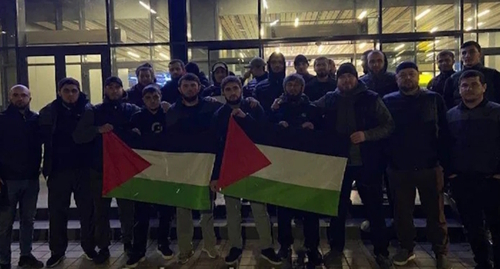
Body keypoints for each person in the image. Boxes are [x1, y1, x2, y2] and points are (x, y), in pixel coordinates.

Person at [313, 63, 394, 269]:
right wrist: (281, 104)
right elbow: (310, 109)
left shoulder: (371, 98)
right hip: (338, 163)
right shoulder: (330, 98)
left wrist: (367, 135)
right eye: (342, 77)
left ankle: (381, 251)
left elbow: (388, 125)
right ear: (337, 79)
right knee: (337, 209)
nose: (346, 81)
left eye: (350, 77)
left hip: (367, 162)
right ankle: (336, 249)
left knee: (374, 209)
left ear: (357, 78)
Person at [383, 62, 450, 268]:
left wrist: (444, 162)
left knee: (435, 212)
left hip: (429, 165)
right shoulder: (388, 101)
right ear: (397, 79)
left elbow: (445, 131)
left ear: (418, 76)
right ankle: (406, 248)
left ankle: (440, 252)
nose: (407, 78)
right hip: (399, 166)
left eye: (411, 74)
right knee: (402, 212)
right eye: (402, 75)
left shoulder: (433, 99)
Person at [210, 76, 281, 266]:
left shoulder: (253, 107)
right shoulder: (219, 114)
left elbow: (264, 133)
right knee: (232, 211)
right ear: (223, 92)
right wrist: (215, 175)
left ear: (241, 89)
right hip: (230, 168)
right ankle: (235, 246)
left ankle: (266, 246)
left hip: (253, 166)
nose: (232, 92)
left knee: (260, 210)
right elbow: (217, 146)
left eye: (235, 88)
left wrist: (246, 118)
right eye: (228, 89)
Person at [74, 76, 141, 264]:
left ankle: (128, 242)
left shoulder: (133, 111)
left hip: (124, 169)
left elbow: (144, 130)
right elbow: (79, 135)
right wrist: (97, 130)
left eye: (117, 87)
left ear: (122, 90)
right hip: (99, 168)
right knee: (100, 210)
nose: (113, 91)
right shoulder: (93, 112)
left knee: (127, 209)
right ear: (105, 90)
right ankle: (103, 246)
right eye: (110, 87)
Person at [165, 73, 222, 264]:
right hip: (182, 167)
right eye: (186, 86)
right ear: (180, 89)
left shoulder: (212, 107)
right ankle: (185, 248)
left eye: (193, 85)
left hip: (205, 165)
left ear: (199, 86)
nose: (190, 88)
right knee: (183, 211)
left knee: (207, 210)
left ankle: (210, 245)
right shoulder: (173, 111)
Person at [38, 78, 95, 268]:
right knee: (57, 213)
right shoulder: (49, 112)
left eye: (74, 91)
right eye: (66, 90)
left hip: (83, 169)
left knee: (87, 211)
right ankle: (57, 251)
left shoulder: (89, 110)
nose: (70, 94)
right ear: (59, 92)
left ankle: (89, 247)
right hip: (58, 170)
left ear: (79, 92)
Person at [446, 70, 500, 269]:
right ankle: (482, 263)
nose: (469, 89)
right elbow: (445, 146)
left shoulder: (496, 112)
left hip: (492, 179)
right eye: (464, 86)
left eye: (474, 85)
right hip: (463, 180)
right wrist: (450, 172)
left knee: (497, 225)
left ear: (484, 87)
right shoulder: (451, 115)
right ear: (459, 89)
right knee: (472, 227)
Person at [271, 74, 323, 267]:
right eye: (290, 84)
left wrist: (314, 127)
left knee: (310, 211)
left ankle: (312, 247)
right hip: (284, 167)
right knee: (283, 210)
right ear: (285, 87)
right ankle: (284, 245)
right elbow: (267, 131)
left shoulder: (312, 109)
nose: (293, 88)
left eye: (296, 85)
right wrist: (277, 125)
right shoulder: (277, 109)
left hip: (307, 167)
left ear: (302, 87)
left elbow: (323, 133)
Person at [125, 84, 176, 268]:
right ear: (143, 100)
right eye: (148, 98)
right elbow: (129, 141)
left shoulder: (168, 114)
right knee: (142, 213)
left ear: (161, 96)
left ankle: (163, 243)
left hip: (165, 170)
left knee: (165, 212)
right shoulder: (137, 117)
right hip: (144, 172)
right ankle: (138, 250)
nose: (152, 101)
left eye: (155, 97)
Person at [0, 85, 43, 269]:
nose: (20, 98)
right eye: (16, 95)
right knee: (4, 223)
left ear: (29, 98)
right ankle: (4, 260)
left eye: (23, 95)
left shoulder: (36, 120)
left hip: (31, 179)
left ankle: (26, 255)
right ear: (10, 98)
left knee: (28, 220)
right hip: (7, 180)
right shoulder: (2, 120)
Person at [443, 41, 500, 109]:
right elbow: (448, 102)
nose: (467, 55)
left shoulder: (493, 75)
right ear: (461, 57)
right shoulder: (452, 79)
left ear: (479, 54)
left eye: (472, 52)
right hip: (461, 117)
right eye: (464, 53)